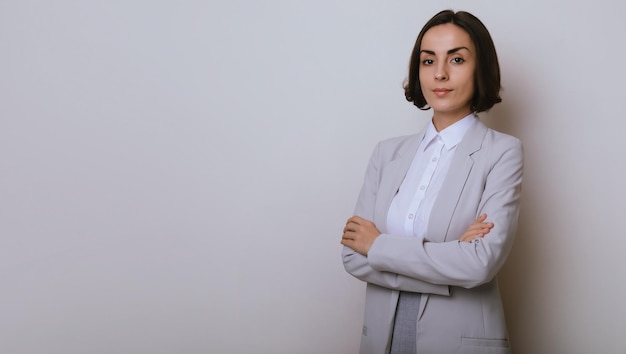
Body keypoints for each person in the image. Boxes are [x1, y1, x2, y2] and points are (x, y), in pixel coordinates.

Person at [341, 9, 522, 354]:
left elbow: (479, 263)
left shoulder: (502, 152)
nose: (439, 73)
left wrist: (378, 246)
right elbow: (353, 256)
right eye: (428, 61)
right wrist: (449, 257)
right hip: (382, 341)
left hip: (458, 342)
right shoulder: (386, 153)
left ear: (480, 67)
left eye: (456, 59)